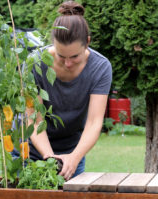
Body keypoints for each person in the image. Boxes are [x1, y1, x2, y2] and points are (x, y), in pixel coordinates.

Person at [27, 0, 112, 181]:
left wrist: (74, 158)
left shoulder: (100, 67)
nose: (67, 63)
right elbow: (34, 119)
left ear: (87, 43)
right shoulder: (35, 63)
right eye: (61, 56)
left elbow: (94, 122)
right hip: (32, 152)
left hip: (73, 151)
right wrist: (49, 158)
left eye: (75, 56)